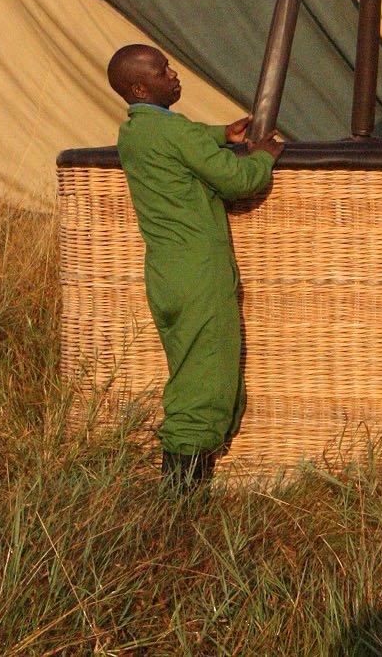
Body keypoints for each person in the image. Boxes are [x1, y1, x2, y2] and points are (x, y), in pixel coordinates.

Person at [107, 43, 283, 489]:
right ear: (140, 88)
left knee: (188, 368)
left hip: (165, 273)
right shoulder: (175, 133)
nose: (174, 74)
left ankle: (182, 485)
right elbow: (238, 181)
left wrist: (221, 134)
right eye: (162, 71)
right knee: (207, 380)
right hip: (200, 272)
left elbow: (177, 140)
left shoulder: (133, 134)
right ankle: (181, 495)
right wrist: (265, 156)